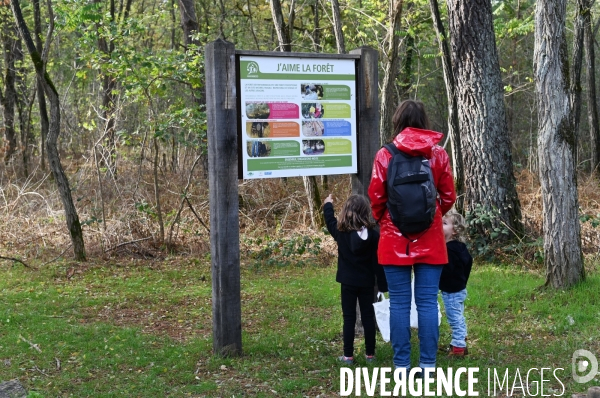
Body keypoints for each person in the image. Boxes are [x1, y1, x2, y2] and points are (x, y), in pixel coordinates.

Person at [368, 100, 456, 373]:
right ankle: (428, 365)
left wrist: (388, 220)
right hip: (430, 239)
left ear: (398, 121)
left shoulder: (385, 154)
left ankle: (401, 365)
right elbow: (449, 196)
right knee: (428, 302)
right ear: (424, 121)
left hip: (395, 240)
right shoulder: (438, 154)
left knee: (400, 303)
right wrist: (432, 214)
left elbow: (376, 198)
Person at [323, 193, 388, 365]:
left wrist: (328, 204)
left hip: (348, 282)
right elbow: (378, 263)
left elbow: (329, 221)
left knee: (349, 318)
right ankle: (370, 355)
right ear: (366, 212)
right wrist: (382, 285)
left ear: (346, 212)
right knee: (368, 317)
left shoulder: (340, 232)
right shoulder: (374, 236)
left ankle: (348, 356)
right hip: (367, 283)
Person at [440, 211, 473, 357]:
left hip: (452, 291)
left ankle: (458, 347)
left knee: (454, 318)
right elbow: (469, 262)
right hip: (458, 289)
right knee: (458, 316)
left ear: (454, 231)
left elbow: (447, 270)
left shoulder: (449, 250)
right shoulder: (460, 247)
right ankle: (461, 341)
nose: (440, 225)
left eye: (444, 223)